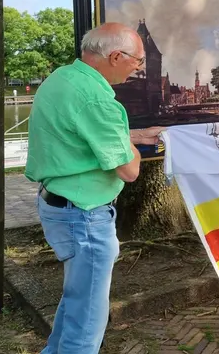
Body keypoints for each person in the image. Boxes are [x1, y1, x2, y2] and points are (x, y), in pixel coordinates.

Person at [25, 22, 165, 353]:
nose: (139, 67)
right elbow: (129, 170)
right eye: (138, 60)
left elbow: (78, 132)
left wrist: (133, 135)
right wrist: (127, 142)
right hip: (84, 217)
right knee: (88, 321)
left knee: (77, 302)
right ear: (116, 56)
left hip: (60, 204)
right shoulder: (99, 101)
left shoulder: (64, 78)